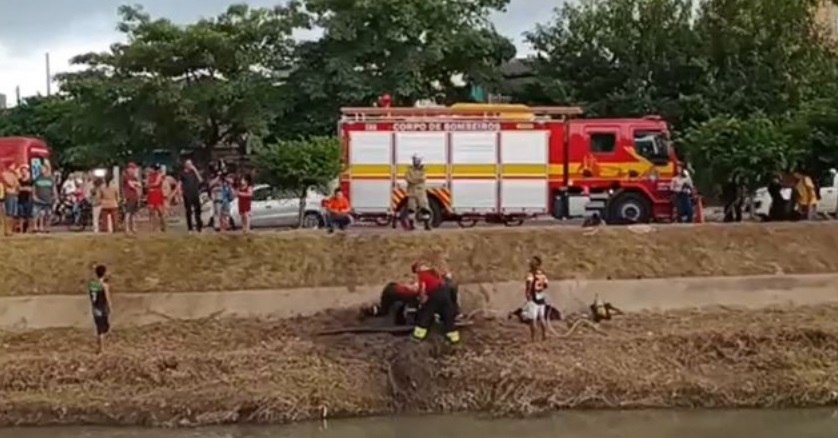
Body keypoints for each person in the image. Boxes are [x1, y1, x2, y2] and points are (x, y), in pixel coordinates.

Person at [411, 261, 460, 344]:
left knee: (427, 313)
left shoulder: (422, 275)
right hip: (446, 293)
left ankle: (417, 336)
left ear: (417, 269)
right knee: (447, 315)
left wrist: (422, 300)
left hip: (435, 294)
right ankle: (454, 339)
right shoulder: (434, 272)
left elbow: (423, 288)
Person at [523, 256, 550, 342]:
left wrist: (528, 294)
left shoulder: (531, 274)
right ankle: (544, 335)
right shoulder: (542, 273)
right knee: (542, 318)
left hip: (533, 298)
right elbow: (546, 285)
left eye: (532, 262)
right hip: (541, 297)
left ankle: (533, 338)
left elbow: (529, 285)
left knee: (533, 319)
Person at [88, 264, 112, 354]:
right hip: (102, 308)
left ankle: (100, 347)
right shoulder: (104, 285)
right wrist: (109, 307)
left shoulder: (92, 285)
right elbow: (107, 298)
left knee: (99, 328)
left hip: (95, 308)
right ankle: (101, 349)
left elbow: (92, 296)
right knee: (103, 328)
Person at [403, 154, 431, 230]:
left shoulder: (423, 170)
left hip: (420, 193)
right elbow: (408, 178)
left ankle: (427, 225)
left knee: (424, 209)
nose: (416, 162)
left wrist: (413, 180)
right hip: (412, 193)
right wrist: (416, 180)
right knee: (411, 209)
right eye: (415, 160)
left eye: (417, 160)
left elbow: (422, 178)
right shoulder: (409, 170)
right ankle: (411, 225)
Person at [179, 159, 204, 233]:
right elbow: (179, 184)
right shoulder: (182, 174)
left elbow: (201, 180)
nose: (190, 165)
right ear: (185, 165)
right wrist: (180, 194)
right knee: (188, 211)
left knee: (198, 210)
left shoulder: (194, 173)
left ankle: (199, 227)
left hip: (195, 193)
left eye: (191, 164)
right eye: (188, 164)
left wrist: (195, 170)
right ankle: (190, 228)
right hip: (187, 194)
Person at [32, 164, 57, 233]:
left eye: (43, 169)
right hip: (38, 199)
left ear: (46, 170)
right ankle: (36, 227)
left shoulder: (51, 179)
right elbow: (34, 188)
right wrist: (34, 195)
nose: (41, 170)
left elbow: (54, 189)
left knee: (48, 214)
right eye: (41, 169)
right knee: (36, 213)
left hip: (48, 199)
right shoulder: (37, 178)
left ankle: (47, 228)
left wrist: (55, 197)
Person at [122, 163, 141, 234]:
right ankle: (127, 228)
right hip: (128, 197)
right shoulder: (126, 176)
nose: (132, 170)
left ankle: (134, 228)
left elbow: (139, 185)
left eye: (133, 169)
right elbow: (131, 185)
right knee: (128, 213)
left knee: (134, 213)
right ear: (128, 169)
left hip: (134, 197)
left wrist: (135, 184)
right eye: (131, 168)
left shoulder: (134, 177)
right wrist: (136, 184)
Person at [1, 164, 20, 236]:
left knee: (12, 213)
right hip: (9, 194)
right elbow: (10, 184)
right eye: (13, 166)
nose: (14, 167)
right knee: (8, 213)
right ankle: (7, 230)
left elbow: (17, 185)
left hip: (14, 194)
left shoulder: (14, 175)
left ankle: (10, 230)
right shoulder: (4, 174)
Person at [146, 164, 166, 231]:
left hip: (157, 193)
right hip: (151, 194)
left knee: (160, 210)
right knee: (151, 211)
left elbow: (156, 183)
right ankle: (153, 227)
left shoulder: (159, 175)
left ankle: (163, 225)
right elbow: (146, 183)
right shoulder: (149, 176)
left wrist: (149, 185)